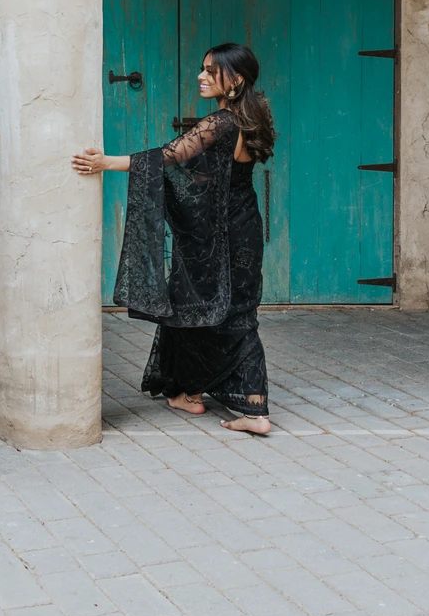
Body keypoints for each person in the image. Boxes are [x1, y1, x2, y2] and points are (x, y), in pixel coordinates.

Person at [71, 43, 276, 435]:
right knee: (238, 310)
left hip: (217, 234)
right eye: (202, 68)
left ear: (235, 79)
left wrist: (104, 163)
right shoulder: (253, 118)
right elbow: (216, 177)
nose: (201, 76)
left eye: (210, 71)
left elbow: (167, 157)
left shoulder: (219, 123)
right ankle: (241, 404)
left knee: (189, 300)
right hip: (245, 225)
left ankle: (203, 395)